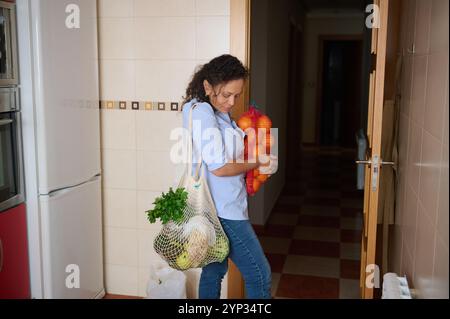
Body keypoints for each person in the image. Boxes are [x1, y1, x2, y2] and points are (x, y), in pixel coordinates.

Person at [181, 54, 278, 299]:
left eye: (236, 95)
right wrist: (258, 161)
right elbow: (220, 167)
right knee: (259, 274)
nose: (232, 101)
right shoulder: (202, 111)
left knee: (214, 270)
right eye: (226, 95)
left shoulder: (217, 112)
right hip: (223, 211)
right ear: (207, 86)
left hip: (221, 205)